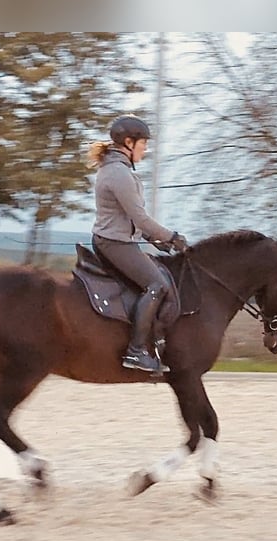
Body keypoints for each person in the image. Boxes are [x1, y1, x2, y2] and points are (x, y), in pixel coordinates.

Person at [88, 114, 188, 373]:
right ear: (129, 142)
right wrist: (171, 237)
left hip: (117, 239)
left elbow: (128, 219)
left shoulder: (114, 169)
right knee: (156, 285)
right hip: (115, 243)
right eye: (143, 144)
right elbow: (140, 218)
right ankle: (135, 352)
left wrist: (154, 240)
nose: (145, 150)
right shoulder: (119, 173)